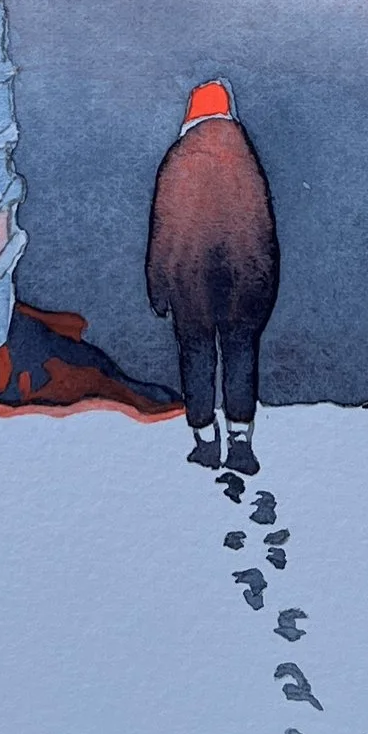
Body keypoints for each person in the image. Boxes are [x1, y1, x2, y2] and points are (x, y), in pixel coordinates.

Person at [144, 77, 280, 475]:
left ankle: (204, 442)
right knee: (241, 355)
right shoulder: (245, 159)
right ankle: (241, 443)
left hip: (189, 283)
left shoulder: (178, 159)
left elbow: (163, 230)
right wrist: (267, 285)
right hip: (246, 283)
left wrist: (157, 288)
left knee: (197, 355)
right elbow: (262, 229)